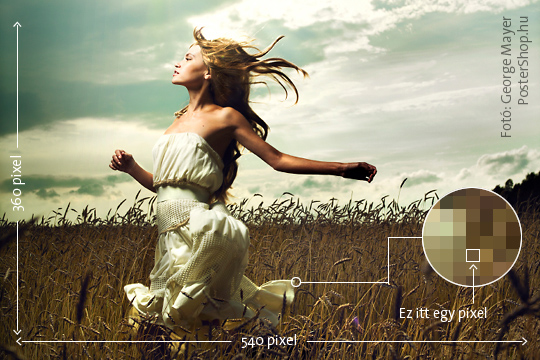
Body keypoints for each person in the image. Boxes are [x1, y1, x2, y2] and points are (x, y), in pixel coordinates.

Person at [109, 28, 376, 334]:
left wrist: (341, 168)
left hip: (197, 230)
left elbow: (277, 159)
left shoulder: (225, 118)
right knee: (169, 319)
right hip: (167, 235)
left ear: (208, 72)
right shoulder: (177, 120)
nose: (178, 63)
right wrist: (132, 168)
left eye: (187, 57)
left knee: (186, 315)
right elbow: (167, 185)